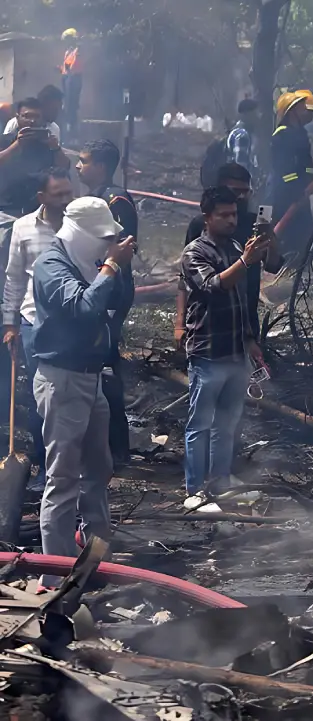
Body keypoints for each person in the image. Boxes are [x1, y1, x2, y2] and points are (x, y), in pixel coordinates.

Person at [31, 197, 134, 588]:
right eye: (101, 238)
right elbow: (84, 308)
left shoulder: (89, 262)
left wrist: (117, 269)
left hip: (91, 377)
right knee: (62, 478)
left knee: (98, 470)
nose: (105, 245)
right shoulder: (51, 265)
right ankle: (55, 574)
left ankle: (96, 556)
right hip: (63, 379)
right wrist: (110, 265)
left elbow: (119, 301)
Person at [178, 186, 281, 511]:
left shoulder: (237, 245)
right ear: (207, 217)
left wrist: (250, 342)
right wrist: (245, 260)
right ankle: (194, 490)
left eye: (234, 214)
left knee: (227, 422)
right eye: (223, 215)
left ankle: (220, 482)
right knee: (200, 424)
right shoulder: (195, 252)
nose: (230, 220)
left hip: (236, 351)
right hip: (208, 352)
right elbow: (215, 286)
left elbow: (270, 269)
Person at [3, 169, 75, 483]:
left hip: (75, 325)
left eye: (68, 193)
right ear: (42, 198)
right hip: (34, 324)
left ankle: (69, 467)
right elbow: (15, 277)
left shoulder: (80, 227)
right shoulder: (23, 228)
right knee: (40, 398)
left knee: (70, 397)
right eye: (58, 194)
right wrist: (10, 323)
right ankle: (46, 468)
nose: (65, 200)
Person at [78, 139, 138, 467]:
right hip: (97, 289)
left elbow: (122, 248)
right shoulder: (95, 197)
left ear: (100, 166)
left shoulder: (115, 200)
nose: (78, 166)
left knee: (108, 366)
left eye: (84, 160)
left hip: (112, 293)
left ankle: (118, 448)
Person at [176, 163, 263, 348]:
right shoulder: (199, 227)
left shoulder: (254, 224)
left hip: (245, 322)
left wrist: (270, 237)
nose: (241, 197)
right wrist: (179, 323)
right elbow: (187, 279)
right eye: (235, 191)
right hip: (207, 327)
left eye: (245, 192)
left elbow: (273, 264)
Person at [268, 92, 313, 262]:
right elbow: (284, 170)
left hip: (299, 195)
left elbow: (304, 165)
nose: (312, 115)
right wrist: (298, 191)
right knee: (289, 237)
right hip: (285, 196)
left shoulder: (301, 134)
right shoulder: (282, 135)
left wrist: (310, 182)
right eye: (308, 110)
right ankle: (282, 275)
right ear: (292, 111)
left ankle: (296, 274)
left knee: (306, 235)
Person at [0, 97, 69, 217]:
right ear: (17, 117)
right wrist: (17, 145)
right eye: (27, 116)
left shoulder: (46, 144)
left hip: (38, 209)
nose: (32, 121)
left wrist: (55, 147)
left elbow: (65, 166)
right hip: (8, 209)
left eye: (36, 116)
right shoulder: (5, 140)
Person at [226, 98, 259, 182]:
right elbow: (240, 166)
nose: (257, 116)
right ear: (246, 114)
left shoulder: (241, 131)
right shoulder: (242, 135)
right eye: (254, 113)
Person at [60, 29, 82, 139]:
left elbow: (74, 65)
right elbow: (65, 66)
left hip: (74, 78)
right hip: (66, 77)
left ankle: (72, 131)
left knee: (71, 104)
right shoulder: (67, 51)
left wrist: (68, 70)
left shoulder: (77, 50)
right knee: (66, 103)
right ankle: (68, 129)